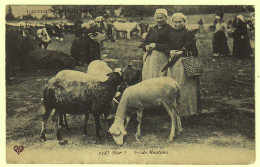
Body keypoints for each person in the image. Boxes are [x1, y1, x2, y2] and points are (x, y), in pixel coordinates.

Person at [167, 13, 201, 116]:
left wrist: (182, 53)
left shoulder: (189, 34)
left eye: (180, 22)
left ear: (184, 22)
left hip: (184, 64)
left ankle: (185, 112)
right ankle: (173, 112)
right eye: (175, 22)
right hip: (173, 64)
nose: (177, 24)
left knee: (184, 87)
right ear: (172, 22)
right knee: (172, 87)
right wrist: (170, 51)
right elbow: (166, 47)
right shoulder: (170, 33)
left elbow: (195, 52)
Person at [139, 8, 174, 81]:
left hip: (163, 58)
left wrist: (156, 46)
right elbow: (145, 42)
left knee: (160, 78)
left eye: (162, 18)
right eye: (157, 18)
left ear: (166, 17)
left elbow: (171, 45)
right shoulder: (152, 29)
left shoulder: (170, 29)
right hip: (150, 58)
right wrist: (146, 46)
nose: (159, 20)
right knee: (149, 76)